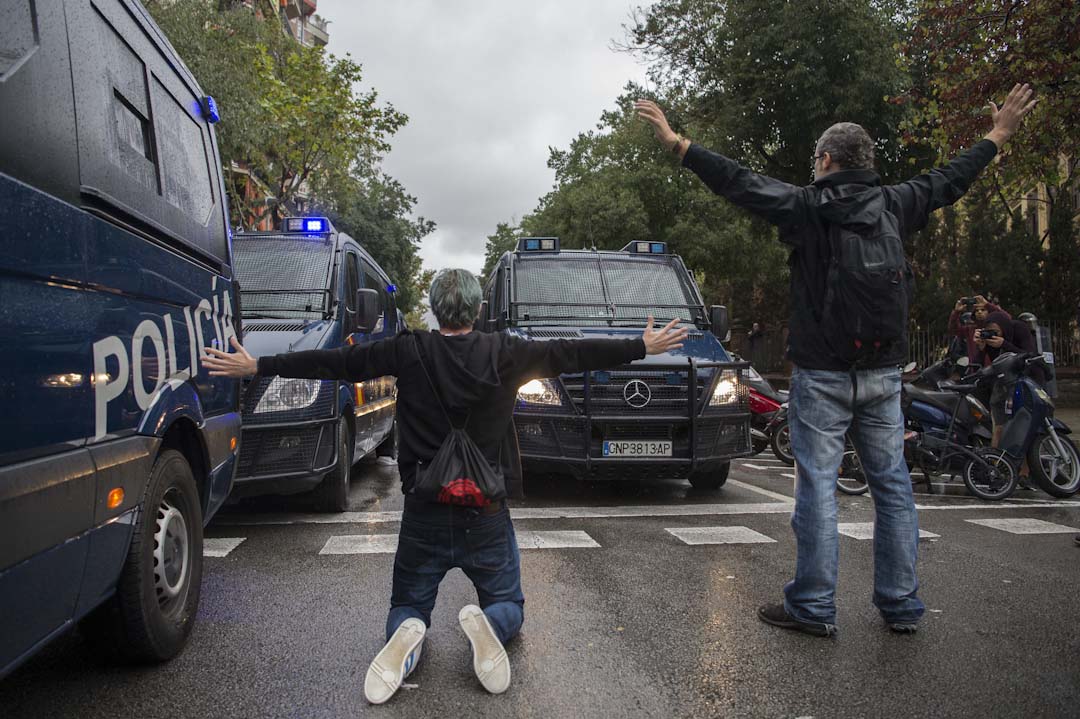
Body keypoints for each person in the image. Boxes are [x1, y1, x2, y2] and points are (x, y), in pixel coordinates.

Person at [636, 82, 1037, 637]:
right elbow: (952, 178)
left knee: (818, 486)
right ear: (865, 164)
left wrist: (679, 144)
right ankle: (901, 605)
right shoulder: (897, 203)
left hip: (822, 374)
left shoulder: (806, 208)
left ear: (825, 160)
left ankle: (813, 606)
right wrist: (998, 134)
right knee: (892, 487)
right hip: (882, 373)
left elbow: (740, 183)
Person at [202, 268, 688, 703]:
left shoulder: (407, 349)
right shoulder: (508, 352)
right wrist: (640, 346)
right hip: (486, 509)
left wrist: (259, 366)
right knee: (507, 604)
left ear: (435, 311)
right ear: (477, 310)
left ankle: (408, 638)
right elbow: (572, 352)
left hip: (423, 507)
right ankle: (490, 627)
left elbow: (335, 364)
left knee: (409, 604)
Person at [949, 294, 1009, 368]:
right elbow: (953, 329)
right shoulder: (970, 330)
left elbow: (1007, 318)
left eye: (983, 310)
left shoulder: (998, 327)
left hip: (996, 369)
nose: (979, 312)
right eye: (976, 311)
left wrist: (988, 305)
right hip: (976, 370)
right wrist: (956, 312)